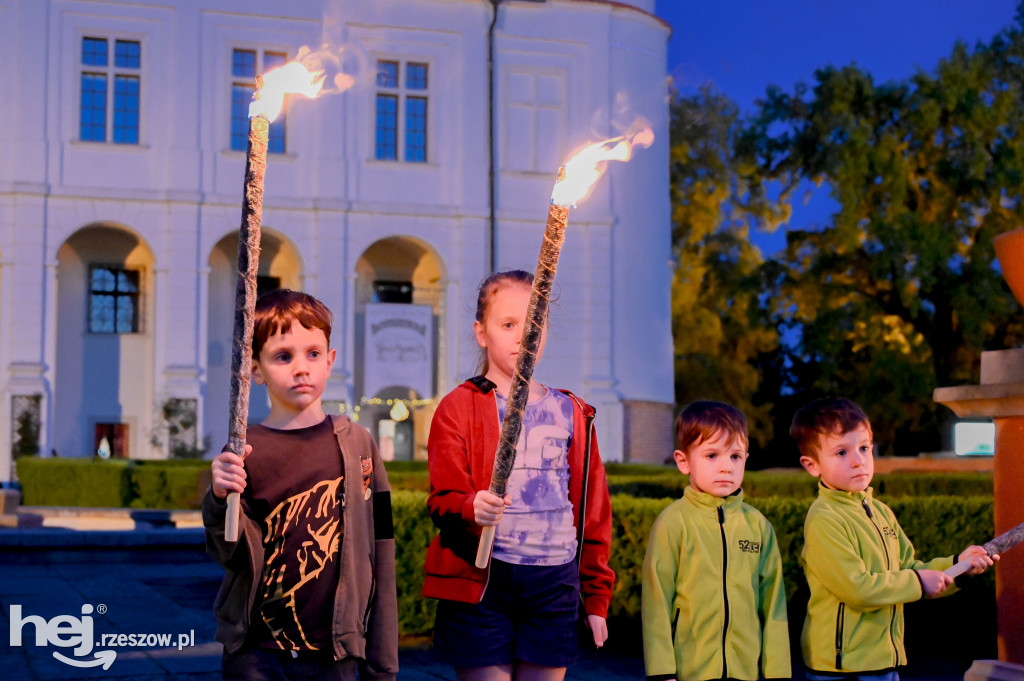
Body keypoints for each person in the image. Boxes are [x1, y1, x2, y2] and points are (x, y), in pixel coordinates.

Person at [423, 269, 615, 681]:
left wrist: (596, 599)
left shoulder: (574, 412)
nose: (522, 336)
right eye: (508, 324)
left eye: (534, 324)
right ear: (481, 332)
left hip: (554, 581)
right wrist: (470, 506)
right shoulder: (459, 406)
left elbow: (593, 512)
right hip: (484, 578)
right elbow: (442, 499)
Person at [202, 289, 398, 681]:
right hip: (257, 655)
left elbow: (383, 547)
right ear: (255, 369)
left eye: (312, 353)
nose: (301, 368)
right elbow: (228, 554)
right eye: (282, 356)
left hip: (335, 655)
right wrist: (220, 498)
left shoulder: (361, 446)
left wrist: (382, 666)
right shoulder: (244, 451)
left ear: (330, 360)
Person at [792, 397, 997, 681]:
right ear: (812, 465)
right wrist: (917, 583)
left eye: (864, 448)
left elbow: (909, 569)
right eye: (841, 452)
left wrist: (959, 566)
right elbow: (857, 588)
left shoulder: (880, 512)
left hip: (883, 660)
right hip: (840, 668)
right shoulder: (824, 519)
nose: (858, 460)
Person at [641, 401, 791, 681]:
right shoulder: (673, 523)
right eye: (712, 455)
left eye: (735, 456)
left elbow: (774, 605)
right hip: (689, 670)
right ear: (683, 461)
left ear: (746, 457)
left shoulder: (758, 526)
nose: (726, 467)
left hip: (745, 670)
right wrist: (661, 671)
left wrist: (777, 673)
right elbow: (656, 601)